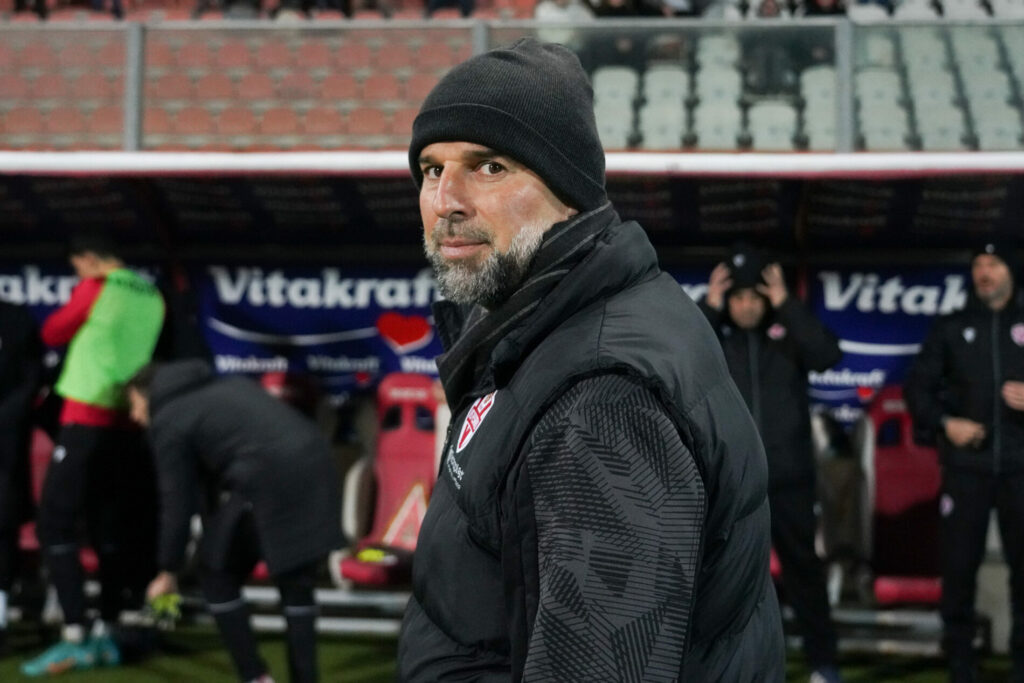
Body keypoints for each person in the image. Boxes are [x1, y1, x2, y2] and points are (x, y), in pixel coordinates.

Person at [398, 38, 784, 681]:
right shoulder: (543, 326)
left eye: (488, 166)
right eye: (432, 170)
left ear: (568, 187)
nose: (446, 200)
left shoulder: (604, 401)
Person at [126, 359, 342, 683]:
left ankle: (254, 676)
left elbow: (177, 501)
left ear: (147, 394)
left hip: (268, 477)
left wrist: (167, 570)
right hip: (317, 465)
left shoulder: (169, 419)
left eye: (133, 404)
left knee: (216, 572)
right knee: (296, 583)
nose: (134, 415)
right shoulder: (226, 385)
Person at [22, 233, 165, 678]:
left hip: (86, 414)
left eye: (76, 267)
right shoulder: (151, 294)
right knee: (109, 525)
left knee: (54, 523)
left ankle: (74, 633)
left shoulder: (98, 286)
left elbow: (53, 331)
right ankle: (106, 623)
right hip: (127, 420)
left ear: (88, 260)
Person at [699, 245, 844, 683]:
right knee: (722, 582)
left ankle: (824, 664)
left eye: (755, 297)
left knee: (805, 576)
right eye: (738, 297)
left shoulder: (788, 338)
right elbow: (672, 352)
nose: (746, 305)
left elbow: (827, 354)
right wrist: (708, 306)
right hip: (730, 485)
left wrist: (786, 302)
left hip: (789, 480)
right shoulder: (711, 340)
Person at [904, 241, 1024, 683]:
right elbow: (917, 389)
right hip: (967, 468)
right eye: (977, 264)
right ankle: (960, 664)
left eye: (993, 263)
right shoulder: (953, 327)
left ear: (1011, 270)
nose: (984, 272)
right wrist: (945, 424)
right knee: (958, 570)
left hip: (1020, 467)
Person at [0, 300, 41, 649]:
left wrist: (7, 419)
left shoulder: (14, 318)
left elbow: (32, 376)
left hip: (5, 444)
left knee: (2, 525)